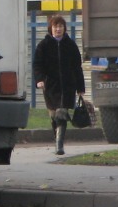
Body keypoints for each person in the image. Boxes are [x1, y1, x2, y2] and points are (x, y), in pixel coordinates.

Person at [32, 15, 85, 155]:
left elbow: (77, 67)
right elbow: (37, 65)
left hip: (68, 86)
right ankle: (56, 138)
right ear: (51, 28)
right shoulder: (43, 45)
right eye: (55, 26)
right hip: (51, 87)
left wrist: (80, 88)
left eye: (61, 26)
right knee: (54, 115)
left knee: (62, 113)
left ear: (64, 29)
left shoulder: (71, 45)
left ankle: (59, 145)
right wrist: (40, 79)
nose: (58, 29)